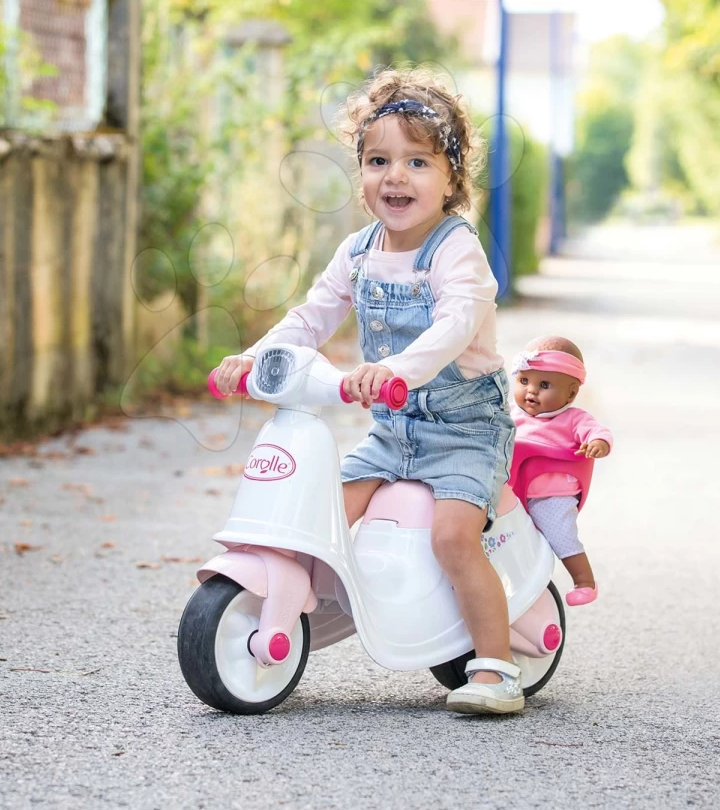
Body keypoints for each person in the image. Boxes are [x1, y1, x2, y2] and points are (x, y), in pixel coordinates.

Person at [211, 67, 522, 715]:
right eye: (379, 160)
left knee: (453, 537)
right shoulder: (357, 252)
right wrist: (256, 356)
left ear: (451, 178)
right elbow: (311, 316)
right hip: (391, 434)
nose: (396, 177)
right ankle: (298, 602)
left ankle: (496, 667)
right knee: (322, 508)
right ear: (361, 173)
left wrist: (399, 370)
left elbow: (455, 322)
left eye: (417, 161)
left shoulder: (454, 251)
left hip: (465, 429)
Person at [506, 336, 612, 606]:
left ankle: (584, 581)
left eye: (544, 385)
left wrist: (597, 443)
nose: (531, 391)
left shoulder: (574, 419)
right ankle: (511, 580)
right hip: (512, 490)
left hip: (552, 494)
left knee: (560, 532)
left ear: (571, 393)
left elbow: (597, 431)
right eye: (524, 381)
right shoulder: (510, 414)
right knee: (501, 535)